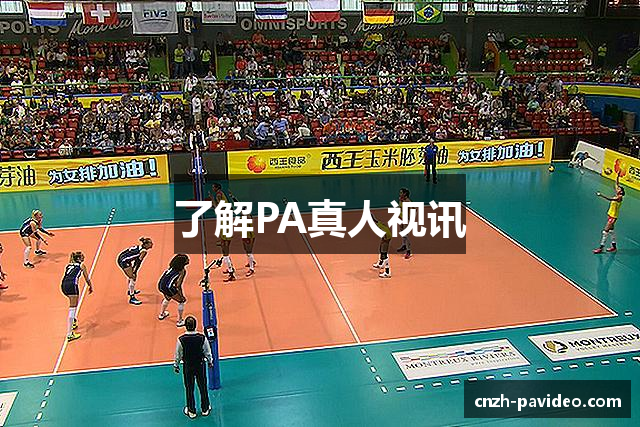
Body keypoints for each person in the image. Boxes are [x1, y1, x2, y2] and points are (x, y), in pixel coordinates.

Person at [174, 315, 213, 419]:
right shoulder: (202, 338)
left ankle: (191, 411)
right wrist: (210, 361)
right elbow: (207, 351)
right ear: (195, 325)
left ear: (185, 326)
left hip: (188, 366)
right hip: (200, 365)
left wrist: (176, 365)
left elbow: (178, 354)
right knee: (203, 387)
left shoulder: (181, 340)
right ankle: (205, 409)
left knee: (189, 388)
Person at [61, 251, 93, 342]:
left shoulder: (68, 265)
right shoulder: (81, 265)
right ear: (78, 259)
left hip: (63, 286)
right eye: (82, 257)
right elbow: (87, 278)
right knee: (73, 308)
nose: (84, 258)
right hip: (72, 285)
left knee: (73, 303)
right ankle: (69, 334)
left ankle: (74, 321)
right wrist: (90, 286)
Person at [593, 174, 625, 254]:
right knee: (611, 231)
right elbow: (616, 183)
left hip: (613, 217)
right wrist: (617, 176)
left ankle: (601, 248)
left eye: (618, 189)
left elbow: (610, 199)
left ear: (621, 191)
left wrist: (601, 195)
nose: (617, 189)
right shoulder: (618, 193)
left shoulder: (619, 197)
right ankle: (614, 247)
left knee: (605, 231)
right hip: (610, 215)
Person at [117, 237, 154, 305]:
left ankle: (130, 290)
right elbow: (138, 262)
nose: (152, 244)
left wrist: (134, 270)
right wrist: (134, 271)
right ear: (146, 245)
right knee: (133, 277)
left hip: (122, 257)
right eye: (150, 243)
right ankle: (132, 298)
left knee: (132, 275)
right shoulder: (143, 251)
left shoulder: (139, 247)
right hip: (124, 261)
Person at [158, 254, 190, 327]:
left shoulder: (171, 268)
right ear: (182, 262)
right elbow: (178, 285)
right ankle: (180, 321)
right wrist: (181, 296)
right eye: (187, 259)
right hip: (168, 287)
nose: (188, 260)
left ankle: (162, 314)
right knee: (181, 301)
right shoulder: (182, 271)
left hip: (160, 285)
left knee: (168, 298)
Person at [395, 188, 412, 259]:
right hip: (401, 218)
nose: (400, 194)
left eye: (401, 192)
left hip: (406, 219)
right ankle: (404, 245)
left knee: (406, 234)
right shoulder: (400, 199)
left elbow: (413, 209)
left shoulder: (408, 202)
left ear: (405, 194)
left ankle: (408, 251)